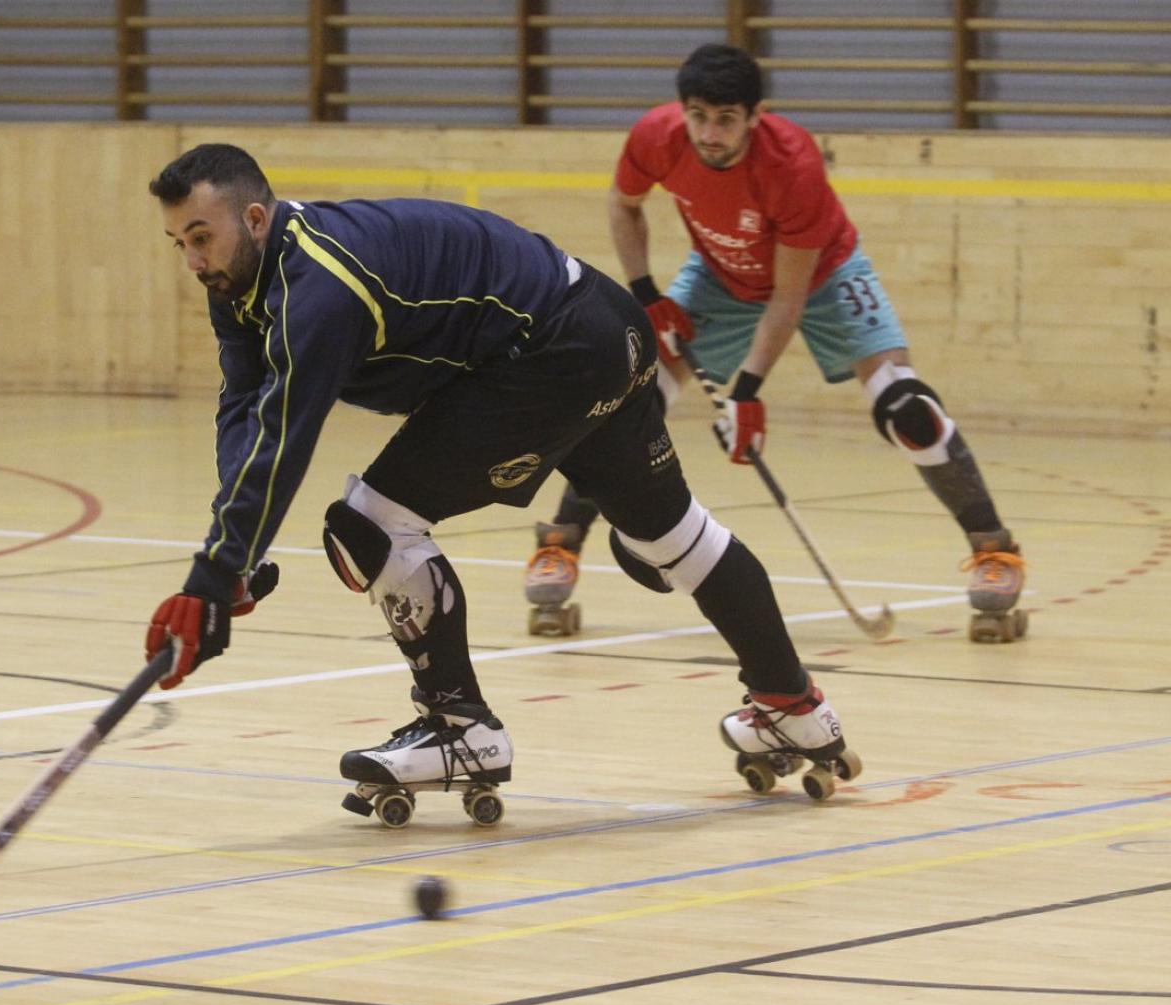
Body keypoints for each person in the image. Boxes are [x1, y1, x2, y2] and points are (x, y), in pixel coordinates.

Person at [144, 143, 861, 825]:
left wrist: (214, 576)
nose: (193, 260)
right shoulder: (241, 279)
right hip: (601, 326)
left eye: (202, 237)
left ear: (256, 220)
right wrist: (231, 560)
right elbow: (244, 408)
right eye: (181, 242)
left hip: (557, 351)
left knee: (370, 522)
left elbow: (284, 438)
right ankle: (792, 706)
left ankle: (458, 728)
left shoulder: (319, 293)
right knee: (672, 534)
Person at [524, 44, 1027, 645]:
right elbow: (624, 204)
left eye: (727, 120)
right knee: (631, 398)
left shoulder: (791, 166)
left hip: (825, 274)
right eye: (699, 116)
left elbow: (787, 299)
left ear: (756, 115)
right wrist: (646, 291)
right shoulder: (657, 137)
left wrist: (749, 391)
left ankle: (994, 550)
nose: (710, 134)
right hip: (717, 277)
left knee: (906, 407)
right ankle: (560, 543)